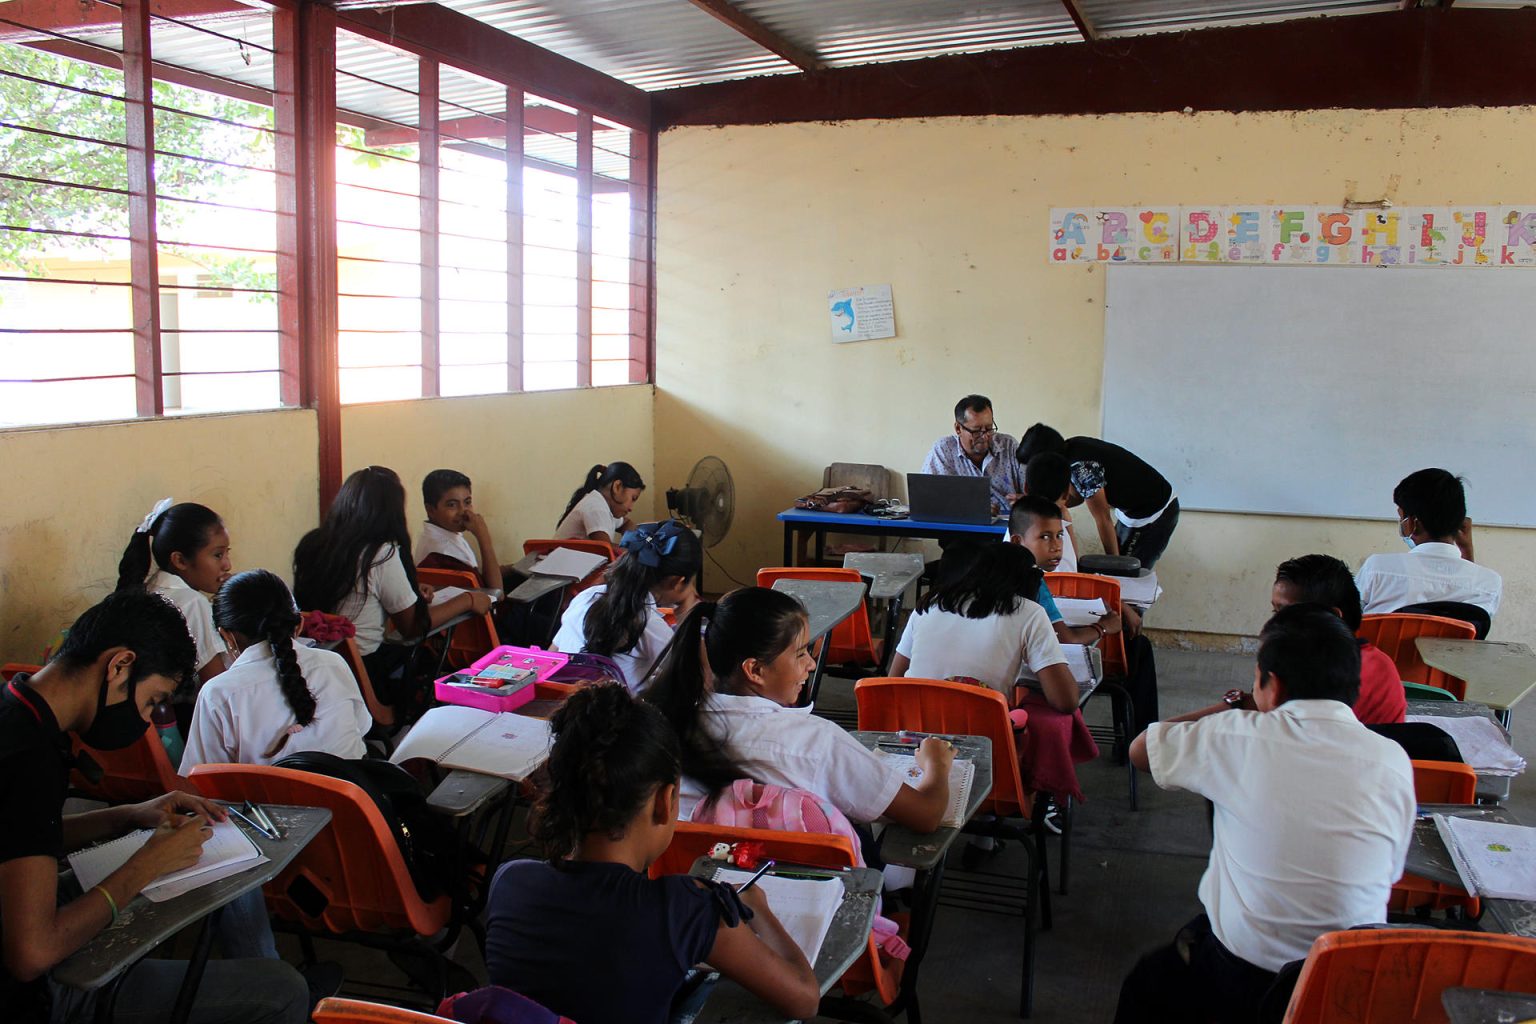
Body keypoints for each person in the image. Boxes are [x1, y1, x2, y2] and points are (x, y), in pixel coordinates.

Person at [0, 591, 308, 1024]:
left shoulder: (14, 706)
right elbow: (31, 954)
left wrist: (128, 815)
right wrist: (147, 864)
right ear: (119, 665)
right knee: (282, 991)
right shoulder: (30, 758)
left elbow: (21, 834)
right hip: (33, 996)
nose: (146, 719)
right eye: (151, 700)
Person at [1115, 605, 1415, 1024]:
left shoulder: (1238, 735)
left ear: (1269, 685)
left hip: (1245, 976)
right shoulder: (1393, 759)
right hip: (1350, 981)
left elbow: (1140, 750)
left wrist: (1233, 711)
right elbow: (1392, 870)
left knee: (1146, 986)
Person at [484, 683, 819, 1024]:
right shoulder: (683, 909)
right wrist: (759, 909)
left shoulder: (510, 883)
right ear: (664, 801)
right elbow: (804, 1000)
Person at [645, 587, 955, 831]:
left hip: (698, 889)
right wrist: (937, 766)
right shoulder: (815, 742)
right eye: (800, 654)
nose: (811, 665)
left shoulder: (664, 726)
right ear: (755, 670)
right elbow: (925, 815)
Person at [293, 466, 491, 689]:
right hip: (362, 673)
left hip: (317, 666)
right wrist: (468, 600)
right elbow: (413, 627)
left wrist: (411, 588)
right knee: (427, 659)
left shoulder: (313, 543)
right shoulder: (378, 553)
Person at [182, 569, 372, 771]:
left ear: (227, 636)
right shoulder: (334, 664)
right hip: (353, 797)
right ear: (298, 626)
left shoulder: (218, 694)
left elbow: (202, 777)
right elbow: (360, 731)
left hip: (268, 802)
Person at [889, 539, 1078, 713]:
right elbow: (1066, 702)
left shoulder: (931, 603)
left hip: (913, 727)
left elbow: (893, 681)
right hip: (983, 732)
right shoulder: (1030, 612)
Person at [551, 520, 702, 691]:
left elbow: (552, 654)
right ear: (677, 581)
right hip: (616, 713)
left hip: (567, 703)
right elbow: (698, 679)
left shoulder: (586, 597)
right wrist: (688, 616)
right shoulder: (649, 625)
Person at [1018, 423, 1179, 569]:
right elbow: (1077, 497)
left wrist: (1116, 569)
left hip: (1155, 512)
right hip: (1135, 510)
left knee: (1128, 574)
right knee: (1121, 565)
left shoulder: (1081, 467)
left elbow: (1103, 519)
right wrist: (1037, 506)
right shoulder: (1071, 447)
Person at [1272, 554, 1405, 726]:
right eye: (1275, 612)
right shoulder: (1377, 662)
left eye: (1288, 613)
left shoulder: (1314, 671)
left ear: (1332, 617)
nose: (1274, 623)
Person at [115, 499, 231, 688]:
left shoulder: (148, 588)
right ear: (180, 560)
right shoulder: (193, 603)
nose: (227, 565)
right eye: (218, 555)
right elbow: (216, 685)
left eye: (228, 553)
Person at [1356, 468, 1502, 618]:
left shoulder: (1378, 569)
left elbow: (1349, 619)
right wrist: (1467, 550)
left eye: (1402, 517)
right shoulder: (1489, 584)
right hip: (1449, 643)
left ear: (1414, 523)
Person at [1007, 496, 1119, 647]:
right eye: (1045, 537)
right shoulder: (1031, 581)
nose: (1057, 546)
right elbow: (1065, 639)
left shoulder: (1003, 569)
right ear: (1017, 541)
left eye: (1059, 535)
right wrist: (1103, 627)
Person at [920, 394, 1025, 515]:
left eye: (989, 428)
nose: (985, 436)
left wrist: (1028, 501)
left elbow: (1035, 494)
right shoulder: (944, 450)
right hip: (959, 529)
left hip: (1007, 527)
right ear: (958, 428)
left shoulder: (1009, 446)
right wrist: (969, 509)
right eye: (976, 431)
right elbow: (926, 500)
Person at [414, 469, 503, 593]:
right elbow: (497, 593)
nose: (463, 511)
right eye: (452, 505)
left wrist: (518, 567)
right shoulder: (443, 552)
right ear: (430, 510)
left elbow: (478, 577)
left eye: (467, 502)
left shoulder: (443, 534)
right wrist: (484, 538)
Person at [555, 462, 645, 542]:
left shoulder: (606, 508)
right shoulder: (595, 507)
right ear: (617, 487)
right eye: (633, 498)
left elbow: (626, 523)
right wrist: (634, 551)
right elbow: (604, 549)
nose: (631, 508)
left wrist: (639, 539)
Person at [1022, 452, 1078, 573]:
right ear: (1066, 494)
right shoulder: (1058, 532)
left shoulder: (1017, 521)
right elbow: (1073, 572)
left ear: (1025, 488)